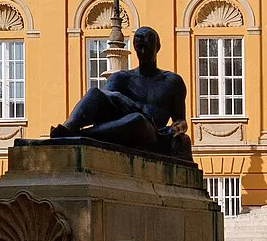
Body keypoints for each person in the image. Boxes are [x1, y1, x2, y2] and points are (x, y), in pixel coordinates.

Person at [49, 25, 192, 159]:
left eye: (147, 46)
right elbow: (102, 96)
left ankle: (80, 135)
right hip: (122, 125)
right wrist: (118, 96)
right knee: (94, 92)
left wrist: (174, 130)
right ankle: (68, 128)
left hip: (153, 134)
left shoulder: (172, 82)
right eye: (139, 47)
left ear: (157, 47)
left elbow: (181, 121)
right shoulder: (122, 78)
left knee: (137, 119)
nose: (142, 52)